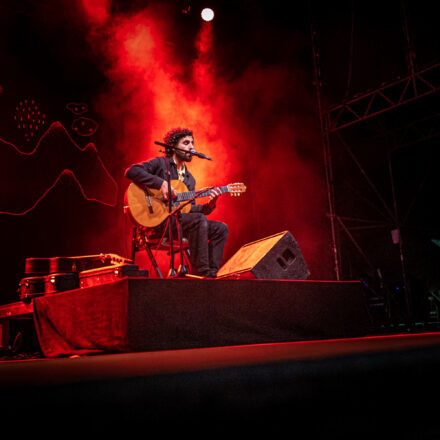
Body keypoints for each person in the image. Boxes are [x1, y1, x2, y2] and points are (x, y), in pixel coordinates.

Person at [125, 127, 228, 278]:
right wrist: (160, 183)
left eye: (192, 143)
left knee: (220, 228)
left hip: (178, 225)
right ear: (173, 147)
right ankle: (201, 274)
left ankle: (211, 275)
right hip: (157, 223)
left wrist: (209, 206)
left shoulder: (189, 179)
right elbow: (131, 171)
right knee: (199, 221)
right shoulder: (161, 164)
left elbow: (188, 210)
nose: (192, 147)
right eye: (186, 143)